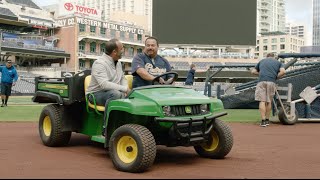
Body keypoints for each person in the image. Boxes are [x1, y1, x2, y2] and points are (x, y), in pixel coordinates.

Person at [86, 38, 130, 112]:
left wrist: (126, 90)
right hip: (95, 94)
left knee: (128, 94)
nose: (123, 51)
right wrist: (125, 89)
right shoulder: (99, 63)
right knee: (115, 94)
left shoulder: (118, 63)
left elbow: (122, 78)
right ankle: (108, 123)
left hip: (114, 92)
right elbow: (104, 85)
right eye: (121, 49)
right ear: (114, 52)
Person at [251, 53, 286, 127]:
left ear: (267, 56)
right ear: (274, 57)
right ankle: (267, 120)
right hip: (271, 81)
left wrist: (260, 74)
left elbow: (253, 71)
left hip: (261, 81)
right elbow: (283, 72)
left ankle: (263, 121)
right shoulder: (278, 62)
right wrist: (275, 76)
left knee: (262, 101)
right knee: (269, 101)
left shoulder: (262, 61)